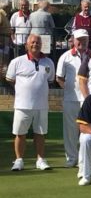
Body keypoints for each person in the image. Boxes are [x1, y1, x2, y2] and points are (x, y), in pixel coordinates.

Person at [6, 34, 55, 171]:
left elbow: (49, 80)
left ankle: (40, 160)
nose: (35, 44)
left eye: (38, 42)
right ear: (27, 45)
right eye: (32, 42)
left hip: (42, 105)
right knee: (20, 133)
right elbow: (10, 79)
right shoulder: (17, 62)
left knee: (40, 133)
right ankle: (19, 160)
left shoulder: (49, 62)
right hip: (22, 105)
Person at [55, 29, 91, 167]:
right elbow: (59, 78)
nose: (82, 41)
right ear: (74, 40)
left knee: (86, 129)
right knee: (70, 130)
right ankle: (71, 158)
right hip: (70, 99)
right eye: (79, 39)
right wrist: (68, 89)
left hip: (87, 99)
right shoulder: (65, 56)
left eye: (84, 39)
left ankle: (84, 158)